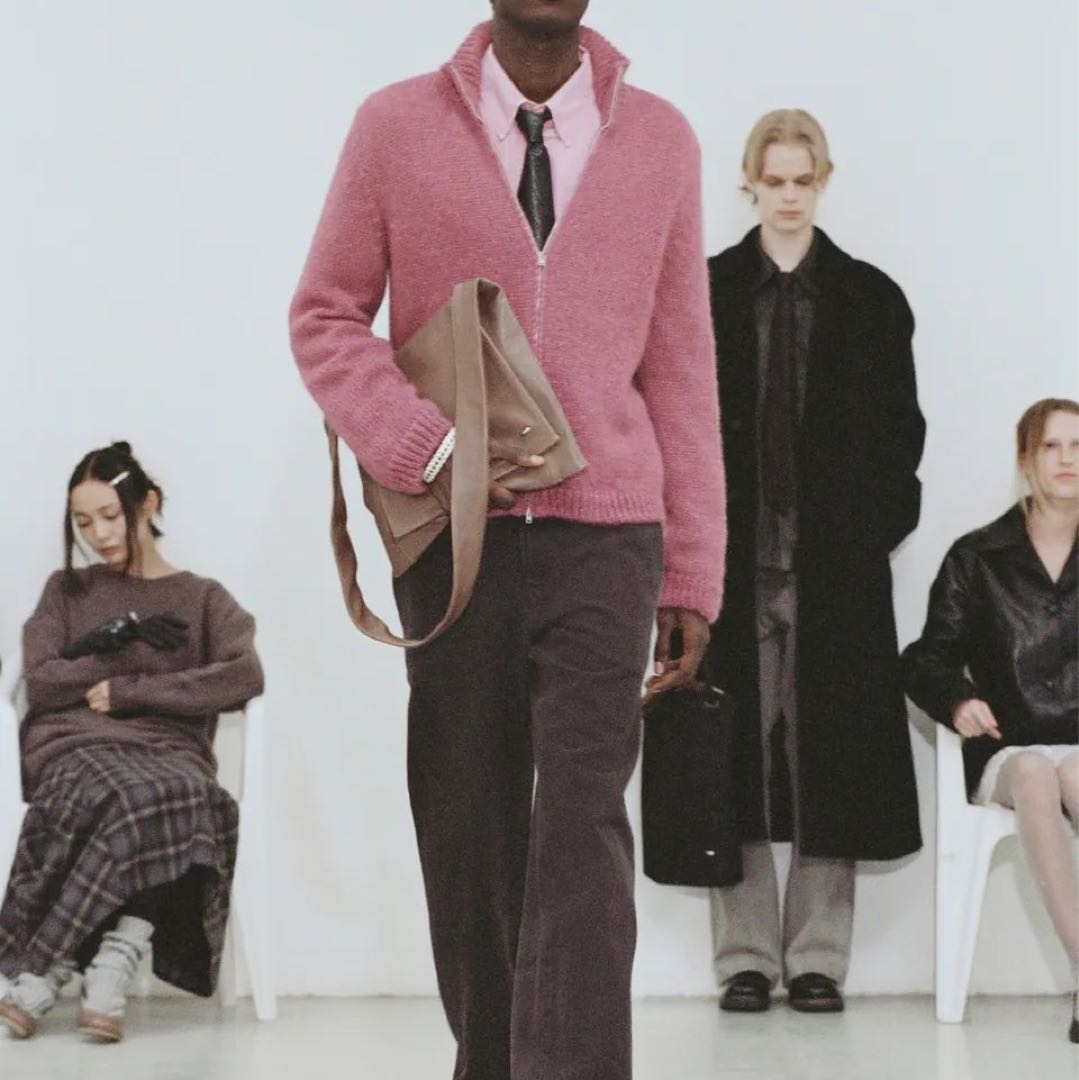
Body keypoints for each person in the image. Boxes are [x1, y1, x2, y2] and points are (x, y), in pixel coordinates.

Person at [289, 2, 725, 1076]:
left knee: (580, 826)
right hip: (453, 541)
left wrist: (693, 568)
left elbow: (680, 362)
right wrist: (426, 447)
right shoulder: (392, 126)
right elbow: (325, 315)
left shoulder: (660, 139)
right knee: (469, 825)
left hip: (608, 533)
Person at [703, 109, 925, 1014]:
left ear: (823, 181)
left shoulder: (870, 297)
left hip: (835, 568)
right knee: (728, 754)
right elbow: (669, 421)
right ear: (748, 181)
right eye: (774, 180)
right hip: (728, 564)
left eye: (803, 180)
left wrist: (869, 533)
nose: (788, 196)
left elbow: (901, 436)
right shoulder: (705, 291)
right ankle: (745, 958)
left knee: (829, 750)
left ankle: (818, 960)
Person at [0, 442, 263, 1042]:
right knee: (139, 795)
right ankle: (83, 964)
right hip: (75, 746)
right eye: (83, 521)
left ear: (148, 504)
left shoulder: (203, 598)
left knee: (191, 796)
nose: (98, 534)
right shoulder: (66, 591)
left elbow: (243, 675)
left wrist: (133, 690)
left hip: (169, 753)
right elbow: (42, 680)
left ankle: (77, 962)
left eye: (109, 516)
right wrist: (110, 648)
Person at [903, 398, 1079, 1043]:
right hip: (1010, 750)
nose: (1067, 460)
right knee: (1035, 772)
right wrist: (958, 701)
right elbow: (926, 657)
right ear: (1026, 460)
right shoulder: (978, 556)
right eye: (1052, 446)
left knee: (1076, 773)